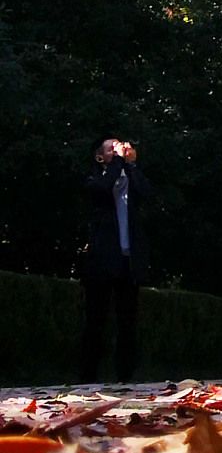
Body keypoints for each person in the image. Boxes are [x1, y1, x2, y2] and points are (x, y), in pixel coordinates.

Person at [80, 137, 149, 384]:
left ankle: (126, 377)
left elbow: (146, 192)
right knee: (96, 320)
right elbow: (102, 188)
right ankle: (87, 377)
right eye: (112, 148)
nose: (119, 149)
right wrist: (118, 161)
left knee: (128, 322)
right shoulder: (94, 177)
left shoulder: (128, 176)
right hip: (101, 259)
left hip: (128, 259)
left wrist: (130, 165)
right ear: (100, 156)